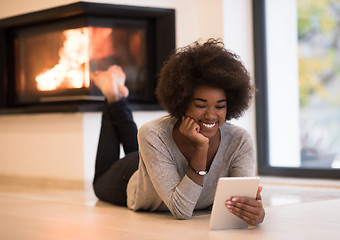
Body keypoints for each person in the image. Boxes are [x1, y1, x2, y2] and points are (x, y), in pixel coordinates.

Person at [92, 38, 265, 225]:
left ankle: (118, 97)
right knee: (100, 182)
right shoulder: (153, 134)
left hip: (158, 158)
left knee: (146, 143)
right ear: (182, 102)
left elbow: (238, 205)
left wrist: (256, 213)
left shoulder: (239, 141)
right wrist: (201, 149)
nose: (211, 115)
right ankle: (113, 96)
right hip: (129, 177)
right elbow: (181, 210)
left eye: (220, 106)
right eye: (201, 105)